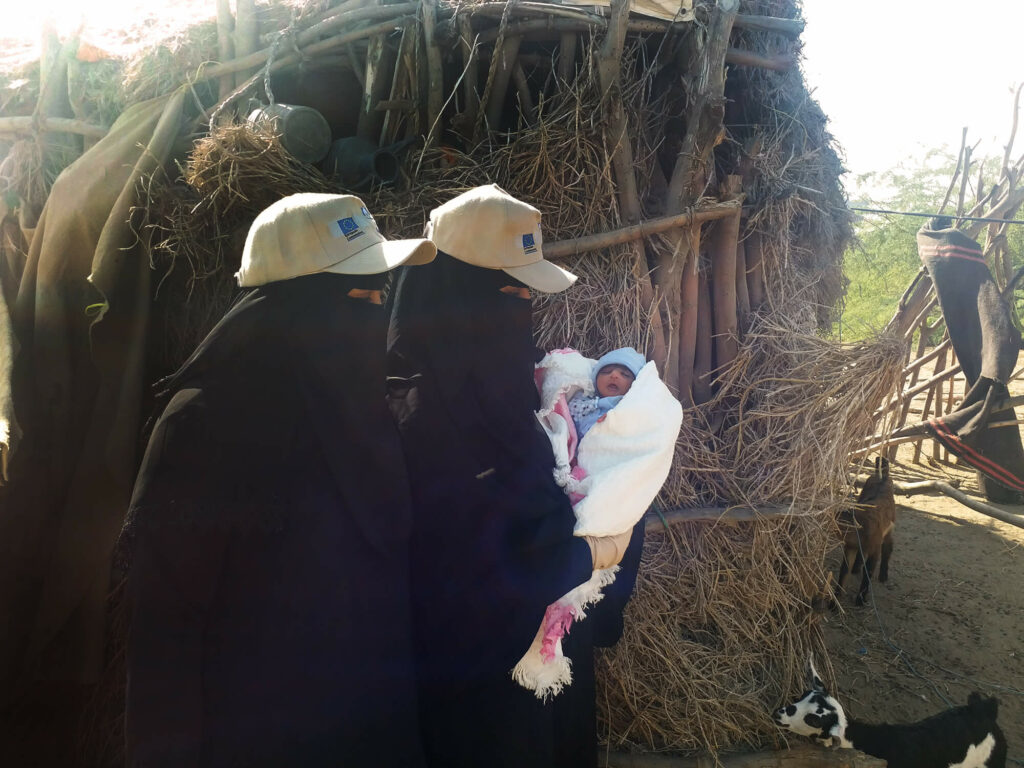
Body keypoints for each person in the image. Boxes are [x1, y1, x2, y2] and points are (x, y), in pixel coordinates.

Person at [121, 193, 435, 767]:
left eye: (380, 294)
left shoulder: (366, 411)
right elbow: (166, 632)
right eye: (360, 295)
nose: (375, 310)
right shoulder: (206, 423)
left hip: (374, 728)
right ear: (296, 306)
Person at [386, 184, 631, 768]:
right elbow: (478, 571)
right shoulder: (421, 413)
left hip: (527, 674)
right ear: (455, 294)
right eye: (508, 293)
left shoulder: (512, 389)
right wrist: (590, 556)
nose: (520, 311)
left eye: (525, 296)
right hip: (476, 687)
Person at [567, 347, 646, 439]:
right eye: (607, 372)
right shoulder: (585, 400)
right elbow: (572, 416)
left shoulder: (634, 405)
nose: (614, 375)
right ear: (595, 379)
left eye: (625, 374)